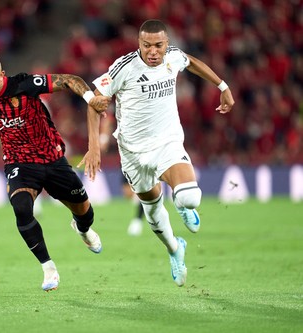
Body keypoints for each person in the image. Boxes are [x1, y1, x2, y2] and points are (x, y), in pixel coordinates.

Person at [80, 19, 234, 287]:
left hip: (167, 143)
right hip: (133, 153)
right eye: (146, 45)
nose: (153, 52)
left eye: (158, 45)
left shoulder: (173, 57)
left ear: (166, 44)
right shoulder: (123, 68)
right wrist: (94, 147)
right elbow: (94, 103)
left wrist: (223, 87)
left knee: (190, 197)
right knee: (151, 211)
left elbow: (192, 62)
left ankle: (181, 203)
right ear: (139, 44)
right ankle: (175, 249)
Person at [0, 51, 111, 292]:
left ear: (1, 75)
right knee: (21, 209)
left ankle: (82, 229)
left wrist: (89, 98)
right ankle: (48, 267)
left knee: (85, 214)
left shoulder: (24, 84)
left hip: (52, 159)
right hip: (19, 163)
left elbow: (68, 79)